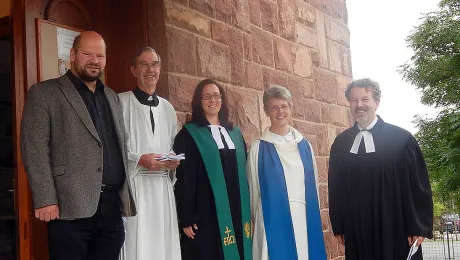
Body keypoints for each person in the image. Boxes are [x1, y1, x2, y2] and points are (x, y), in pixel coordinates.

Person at [20, 31, 136, 260]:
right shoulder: (45, 93)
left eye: (100, 56)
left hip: (111, 207)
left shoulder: (111, 96)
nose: (94, 60)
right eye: (87, 53)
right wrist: (46, 199)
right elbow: (34, 148)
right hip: (68, 207)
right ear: (73, 55)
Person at [328, 78, 433, 260]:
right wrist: (339, 225)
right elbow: (336, 188)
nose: (359, 105)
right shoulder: (341, 143)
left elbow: (419, 185)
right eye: (354, 100)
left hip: (397, 228)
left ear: (376, 103)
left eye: (365, 99)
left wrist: (418, 226)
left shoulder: (402, 139)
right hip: (358, 229)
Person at [173, 79, 252, 260]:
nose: (212, 100)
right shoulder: (189, 134)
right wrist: (187, 216)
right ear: (199, 101)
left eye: (216, 95)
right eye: (206, 97)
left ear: (222, 100)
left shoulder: (235, 134)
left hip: (237, 210)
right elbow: (184, 177)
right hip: (206, 212)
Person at [246, 85, 326, 260]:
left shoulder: (305, 146)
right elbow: (253, 191)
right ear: (267, 111)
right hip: (271, 217)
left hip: (303, 217)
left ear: (290, 108)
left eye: (284, 106)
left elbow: (313, 184)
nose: (280, 112)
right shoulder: (258, 148)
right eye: (274, 107)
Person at [118, 47, 181, 260]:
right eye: (143, 64)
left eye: (154, 64)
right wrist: (139, 160)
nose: (150, 70)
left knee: (163, 244)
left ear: (160, 69)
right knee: (138, 245)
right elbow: (112, 148)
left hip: (163, 189)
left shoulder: (168, 108)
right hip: (136, 188)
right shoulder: (120, 103)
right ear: (133, 70)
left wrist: (172, 160)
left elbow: (172, 143)